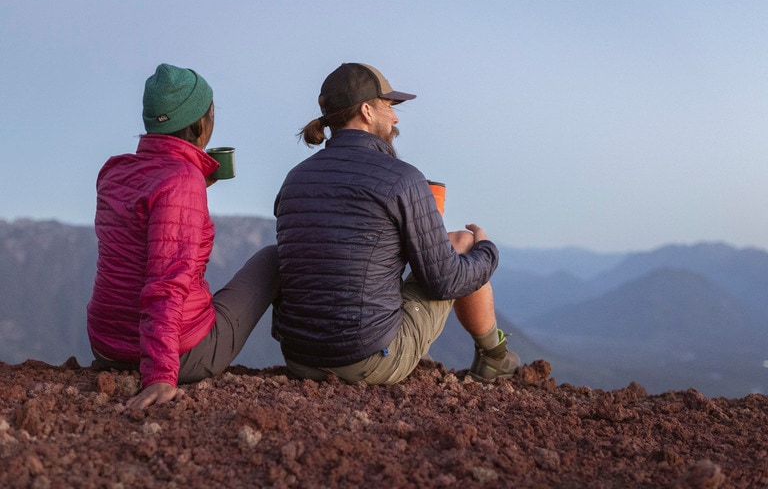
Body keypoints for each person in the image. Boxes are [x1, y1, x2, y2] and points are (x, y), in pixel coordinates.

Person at [272, 62, 519, 385]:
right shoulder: (401, 178)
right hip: (367, 361)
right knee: (463, 243)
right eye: (389, 106)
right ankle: (495, 359)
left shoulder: (295, 179)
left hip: (298, 357)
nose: (396, 117)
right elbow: (445, 281)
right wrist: (487, 250)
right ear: (366, 111)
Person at [87, 63, 279, 410]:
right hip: (176, 353)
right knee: (274, 259)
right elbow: (166, 283)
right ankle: (312, 356)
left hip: (106, 343)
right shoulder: (181, 181)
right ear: (200, 124)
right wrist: (161, 374)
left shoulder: (114, 172)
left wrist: (190, 185)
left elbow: (134, 231)